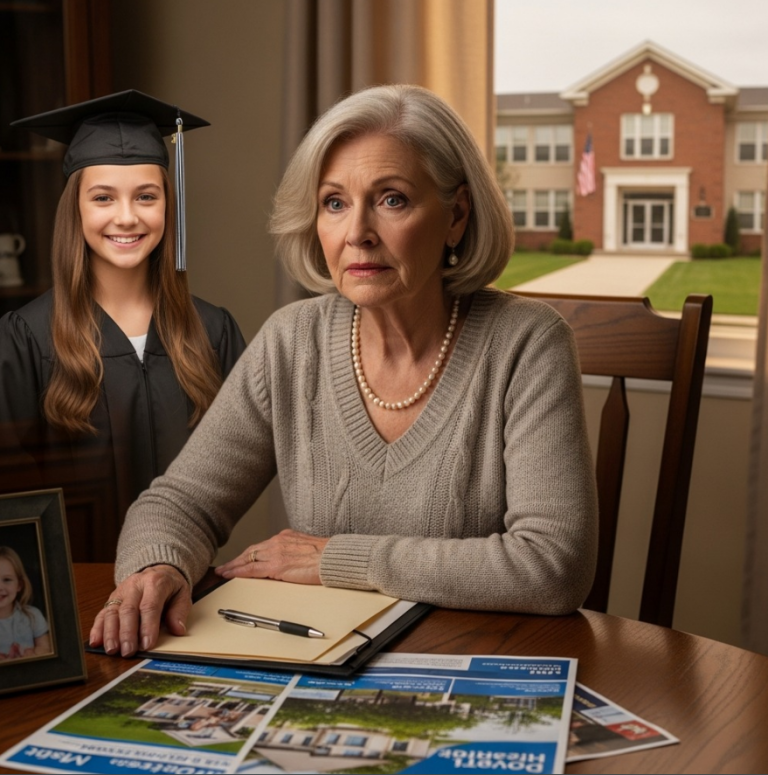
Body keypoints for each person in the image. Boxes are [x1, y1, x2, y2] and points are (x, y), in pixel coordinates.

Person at [90, 84, 598, 657]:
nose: (357, 231)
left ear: (455, 217)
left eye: (392, 199)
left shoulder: (528, 343)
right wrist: (159, 565)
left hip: (474, 664)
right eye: (334, 203)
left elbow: (553, 563)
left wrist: (337, 560)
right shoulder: (292, 341)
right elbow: (181, 502)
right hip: (319, 661)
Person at [0, 92, 246, 557]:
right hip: (79, 593)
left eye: (146, 196)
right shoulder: (25, 340)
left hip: (191, 584)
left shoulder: (212, 332)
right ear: (75, 208)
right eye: (103, 197)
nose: (127, 216)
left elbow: (250, 462)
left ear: (167, 206)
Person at [0, 546, 51, 660]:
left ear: (19, 585)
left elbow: (45, 647)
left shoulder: (33, 615)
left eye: (7, 580)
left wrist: (33, 656)